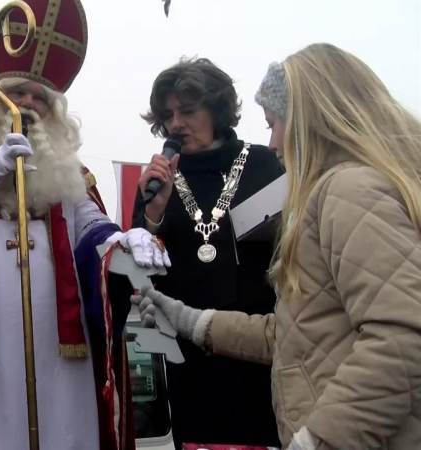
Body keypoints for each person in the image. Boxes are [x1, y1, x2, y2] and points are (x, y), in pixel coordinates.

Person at [0, 1, 169, 449]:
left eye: (40, 98)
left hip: (60, 354)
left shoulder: (69, 175)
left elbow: (92, 228)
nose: (28, 104)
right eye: (18, 92)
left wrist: (124, 238)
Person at [138, 43, 421, 449]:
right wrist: (187, 318)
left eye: (274, 123)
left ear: (309, 117)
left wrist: (316, 441)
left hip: (309, 408)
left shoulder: (345, 188)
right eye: (168, 116)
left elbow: (402, 338)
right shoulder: (160, 182)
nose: (272, 142)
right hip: (223, 381)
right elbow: (295, 330)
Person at [131, 57, 284, 448]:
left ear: (216, 109)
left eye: (187, 111)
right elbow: (138, 273)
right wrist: (152, 215)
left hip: (260, 348)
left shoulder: (265, 164)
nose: (176, 123)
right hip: (188, 359)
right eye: (168, 115)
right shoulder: (158, 182)